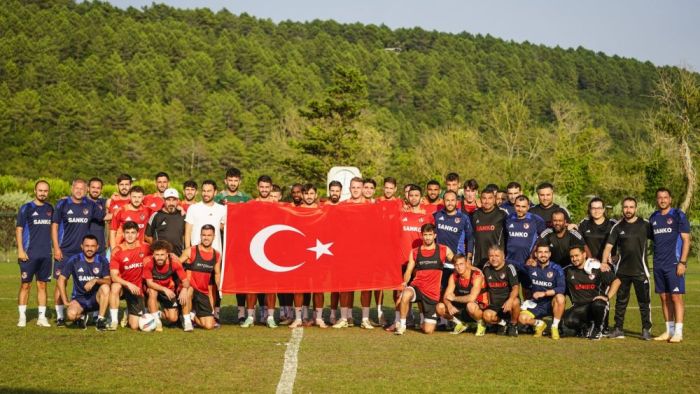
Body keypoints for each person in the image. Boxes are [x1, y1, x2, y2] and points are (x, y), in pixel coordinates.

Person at [52, 178, 106, 326]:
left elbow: (104, 216)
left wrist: (122, 211)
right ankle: (60, 316)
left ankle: (87, 312)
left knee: (90, 281)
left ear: (86, 190)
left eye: (82, 189)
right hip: (65, 251)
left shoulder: (90, 204)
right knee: (60, 282)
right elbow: (55, 226)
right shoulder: (62, 204)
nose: (79, 191)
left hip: (84, 252)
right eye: (77, 188)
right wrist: (56, 248)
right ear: (72, 188)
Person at [602, 197, 653, 340]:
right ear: (622, 208)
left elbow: (660, 240)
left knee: (644, 303)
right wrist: (604, 261)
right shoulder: (617, 227)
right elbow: (608, 247)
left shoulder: (645, 225)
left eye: (631, 207)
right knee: (620, 302)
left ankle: (646, 330)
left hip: (641, 271)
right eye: (626, 207)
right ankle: (618, 329)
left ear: (636, 208)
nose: (628, 210)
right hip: (622, 272)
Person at [385, 184, 433, 332]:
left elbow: (430, 239)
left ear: (421, 197)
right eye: (411, 195)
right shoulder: (401, 215)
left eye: (416, 195)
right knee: (399, 291)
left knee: (420, 291)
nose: (413, 198)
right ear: (407, 196)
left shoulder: (427, 216)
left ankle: (422, 320)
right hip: (401, 260)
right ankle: (398, 321)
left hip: (419, 261)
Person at [394, 223, 454, 335]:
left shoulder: (444, 250)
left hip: (432, 294)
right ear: (422, 235)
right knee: (406, 294)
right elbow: (408, 271)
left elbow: (458, 263)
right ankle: (402, 325)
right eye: (425, 235)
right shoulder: (415, 252)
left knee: (428, 330)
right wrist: (404, 283)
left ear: (435, 235)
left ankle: (425, 322)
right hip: (417, 287)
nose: (427, 237)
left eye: (430, 235)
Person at [649, 188, 691, 343]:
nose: (662, 200)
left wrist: (683, 262)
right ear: (657, 200)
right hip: (658, 263)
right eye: (659, 197)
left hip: (674, 263)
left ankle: (678, 332)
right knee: (664, 297)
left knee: (676, 296)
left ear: (670, 199)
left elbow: (686, 240)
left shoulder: (678, 215)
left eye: (665, 197)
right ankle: (669, 331)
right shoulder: (653, 217)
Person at [185, 180, 227, 322]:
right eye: (204, 190)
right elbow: (188, 231)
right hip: (196, 254)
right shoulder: (193, 208)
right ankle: (188, 314)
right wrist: (188, 251)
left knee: (212, 286)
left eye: (209, 191)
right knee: (192, 285)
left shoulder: (222, 209)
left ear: (215, 192)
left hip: (215, 255)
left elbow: (225, 228)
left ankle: (212, 313)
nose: (206, 193)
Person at [241, 175, 278, 328]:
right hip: (254, 250)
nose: (264, 189)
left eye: (266, 187)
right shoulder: (250, 204)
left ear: (271, 188)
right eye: (261, 187)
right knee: (252, 285)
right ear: (258, 187)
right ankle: (250, 316)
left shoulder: (278, 206)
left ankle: (270, 316)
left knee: (271, 285)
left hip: (272, 251)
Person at [289, 184, 328, 328]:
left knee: (318, 288)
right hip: (300, 255)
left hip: (319, 253)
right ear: (303, 195)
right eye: (306, 194)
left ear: (316, 195)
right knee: (299, 288)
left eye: (312, 193)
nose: (309, 196)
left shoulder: (322, 211)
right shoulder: (295, 211)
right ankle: (298, 318)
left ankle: (318, 318)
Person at [213, 168, 249, 321]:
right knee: (218, 277)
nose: (233, 183)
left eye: (236, 180)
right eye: (230, 180)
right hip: (221, 243)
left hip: (239, 245)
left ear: (239, 181)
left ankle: (241, 313)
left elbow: (253, 218)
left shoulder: (246, 198)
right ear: (225, 181)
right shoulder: (218, 198)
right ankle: (216, 312)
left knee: (240, 277)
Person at [16, 180, 53, 327]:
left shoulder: (51, 208)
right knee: (25, 285)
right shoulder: (26, 208)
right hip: (28, 254)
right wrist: (20, 249)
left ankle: (42, 318)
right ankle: (22, 317)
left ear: (48, 192)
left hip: (45, 254)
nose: (43, 193)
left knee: (42, 285)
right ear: (35, 191)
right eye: (40, 190)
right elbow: (19, 230)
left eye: (45, 191)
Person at [333, 177, 368, 328]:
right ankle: (344, 318)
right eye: (353, 187)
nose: (355, 190)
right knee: (346, 285)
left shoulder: (370, 206)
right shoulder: (342, 206)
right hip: (346, 252)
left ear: (362, 189)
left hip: (364, 252)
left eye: (358, 187)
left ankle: (365, 319)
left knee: (366, 286)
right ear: (350, 188)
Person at [56, 235, 111, 330]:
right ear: (82, 246)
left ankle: (100, 320)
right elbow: (61, 279)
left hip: (96, 299)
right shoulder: (74, 260)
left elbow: (109, 281)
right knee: (71, 315)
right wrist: (65, 300)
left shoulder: (102, 260)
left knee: (105, 287)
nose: (90, 249)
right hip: (79, 299)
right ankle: (82, 316)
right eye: (87, 246)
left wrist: (95, 280)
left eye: (93, 246)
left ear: (97, 247)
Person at [562, 245, 616, 340]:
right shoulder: (567, 271)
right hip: (580, 308)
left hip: (597, 306)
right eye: (572, 256)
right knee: (566, 321)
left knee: (598, 304)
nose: (574, 259)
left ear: (584, 254)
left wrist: (607, 297)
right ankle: (586, 327)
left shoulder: (597, 268)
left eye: (576, 255)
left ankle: (599, 329)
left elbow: (617, 281)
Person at [433, 190, 473, 307]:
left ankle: (458, 316)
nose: (450, 203)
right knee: (439, 289)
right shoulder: (437, 216)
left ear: (457, 202)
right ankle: (442, 318)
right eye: (447, 200)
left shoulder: (463, 218)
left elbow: (470, 239)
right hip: (440, 261)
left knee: (456, 291)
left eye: (452, 200)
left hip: (456, 262)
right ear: (443, 201)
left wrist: (468, 259)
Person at [109, 221, 151, 330]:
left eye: (133, 232)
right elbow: (114, 276)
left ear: (138, 234)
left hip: (137, 288)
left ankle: (128, 312)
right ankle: (113, 321)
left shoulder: (146, 248)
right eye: (127, 232)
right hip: (124, 286)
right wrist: (128, 284)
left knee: (135, 326)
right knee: (115, 286)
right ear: (123, 234)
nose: (130, 235)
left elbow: (160, 253)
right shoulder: (117, 251)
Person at [518, 242, 566, 340]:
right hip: (537, 304)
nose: (543, 254)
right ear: (535, 254)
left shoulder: (556, 269)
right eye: (540, 252)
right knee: (521, 318)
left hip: (551, 304)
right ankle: (539, 324)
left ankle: (554, 327)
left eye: (545, 252)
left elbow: (561, 288)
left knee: (560, 297)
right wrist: (502, 259)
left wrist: (544, 293)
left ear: (550, 254)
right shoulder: (531, 267)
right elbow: (516, 264)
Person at [180, 225, 221, 331]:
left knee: (209, 325)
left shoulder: (216, 255)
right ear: (200, 236)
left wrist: (220, 286)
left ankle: (192, 316)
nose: (206, 238)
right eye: (204, 235)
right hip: (189, 289)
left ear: (214, 237)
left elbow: (217, 274)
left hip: (203, 292)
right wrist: (181, 285)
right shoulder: (190, 251)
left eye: (209, 235)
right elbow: (177, 266)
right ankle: (187, 321)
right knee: (189, 289)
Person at [435, 254, 488, 336]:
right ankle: (460, 323)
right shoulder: (454, 276)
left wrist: (454, 298)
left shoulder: (476, 275)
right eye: (456, 265)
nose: (459, 267)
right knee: (439, 307)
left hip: (476, 308)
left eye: (461, 264)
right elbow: (446, 296)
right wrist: (449, 305)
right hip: (462, 307)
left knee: (470, 306)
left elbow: (471, 298)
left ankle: (481, 324)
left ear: (467, 263)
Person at [143, 240, 189, 331]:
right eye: (157, 255)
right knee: (152, 291)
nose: (159, 258)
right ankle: (157, 322)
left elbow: (186, 281)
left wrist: (184, 289)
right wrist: (164, 289)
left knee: (173, 318)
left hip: (169, 289)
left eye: (162, 255)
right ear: (153, 254)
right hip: (155, 288)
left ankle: (157, 313)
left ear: (167, 254)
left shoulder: (175, 262)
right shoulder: (147, 261)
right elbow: (149, 283)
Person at [505, 195, 546, 296]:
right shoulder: (508, 219)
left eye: (523, 206)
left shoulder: (536, 220)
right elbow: (504, 239)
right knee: (511, 290)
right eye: (517, 206)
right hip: (510, 261)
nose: (520, 209)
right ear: (514, 206)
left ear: (528, 207)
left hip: (527, 262)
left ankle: (526, 310)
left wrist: (533, 257)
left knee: (527, 290)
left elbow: (543, 240)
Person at [482, 247, 521, 336]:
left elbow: (516, 287)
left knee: (515, 301)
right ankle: (502, 323)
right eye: (491, 256)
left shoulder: (509, 267)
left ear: (503, 257)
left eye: (497, 256)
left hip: (508, 303)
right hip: (494, 305)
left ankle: (513, 324)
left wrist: (510, 300)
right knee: (486, 316)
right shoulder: (486, 267)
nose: (494, 258)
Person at [470, 188, 508, 269]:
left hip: (495, 261)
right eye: (484, 198)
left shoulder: (502, 214)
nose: (487, 201)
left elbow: (509, 237)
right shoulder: (474, 215)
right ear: (480, 199)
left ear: (494, 199)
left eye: (490, 198)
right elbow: (471, 237)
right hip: (477, 260)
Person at [145, 188, 186, 255]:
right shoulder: (156, 215)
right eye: (168, 200)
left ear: (178, 201)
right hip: (161, 257)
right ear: (164, 200)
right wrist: (158, 247)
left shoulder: (183, 215)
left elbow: (185, 235)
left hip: (179, 256)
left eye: (174, 200)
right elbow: (147, 236)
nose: (171, 203)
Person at [578, 197, 616, 261]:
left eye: (599, 208)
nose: (596, 211)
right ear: (590, 210)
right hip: (589, 263)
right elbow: (579, 243)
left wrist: (617, 256)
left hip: (608, 264)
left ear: (604, 209)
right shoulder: (584, 223)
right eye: (593, 208)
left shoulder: (613, 224)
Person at [87, 177, 108, 257]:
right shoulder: (82, 202)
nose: (95, 190)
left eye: (98, 188)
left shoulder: (103, 202)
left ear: (101, 190)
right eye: (93, 187)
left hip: (100, 247)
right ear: (88, 188)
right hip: (85, 246)